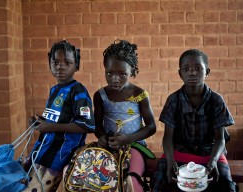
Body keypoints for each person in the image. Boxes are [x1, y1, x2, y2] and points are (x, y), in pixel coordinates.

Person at [152, 49, 236, 192]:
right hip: (179, 151)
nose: (192, 73)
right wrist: (170, 161)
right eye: (186, 69)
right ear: (180, 74)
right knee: (159, 181)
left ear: (207, 72)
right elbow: (168, 138)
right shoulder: (173, 100)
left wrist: (214, 161)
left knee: (226, 185)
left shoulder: (216, 101)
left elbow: (220, 140)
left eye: (198, 68)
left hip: (210, 153)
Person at [23, 40, 95, 192]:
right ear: (49, 64)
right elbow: (56, 120)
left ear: (77, 65)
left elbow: (87, 124)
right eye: (55, 62)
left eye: (67, 62)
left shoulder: (78, 91)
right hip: (43, 152)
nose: (60, 66)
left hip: (59, 157)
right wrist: (40, 122)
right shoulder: (55, 90)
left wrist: (50, 126)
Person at [93, 39, 156, 192]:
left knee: (132, 180)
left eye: (122, 74)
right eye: (110, 73)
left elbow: (151, 127)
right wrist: (103, 137)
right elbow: (97, 126)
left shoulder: (139, 94)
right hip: (109, 146)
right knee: (100, 179)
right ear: (104, 69)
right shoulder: (100, 95)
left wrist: (128, 139)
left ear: (132, 71)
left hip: (134, 146)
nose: (115, 79)